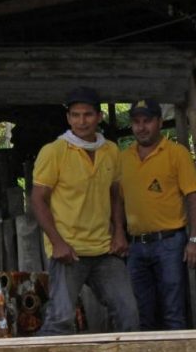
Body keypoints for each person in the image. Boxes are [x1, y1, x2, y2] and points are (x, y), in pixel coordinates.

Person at [30, 86, 138, 335]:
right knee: (61, 320)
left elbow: (115, 194)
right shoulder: (54, 152)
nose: (82, 121)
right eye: (76, 115)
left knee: (128, 313)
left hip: (104, 248)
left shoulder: (110, 150)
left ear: (99, 117)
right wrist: (57, 243)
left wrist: (119, 232)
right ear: (68, 118)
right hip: (69, 250)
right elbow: (38, 199)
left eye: (88, 115)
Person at [119, 99, 196, 330]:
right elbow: (116, 199)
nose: (141, 127)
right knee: (142, 312)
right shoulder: (123, 159)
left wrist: (194, 239)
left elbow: (194, 195)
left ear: (160, 122)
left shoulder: (176, 153)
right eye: (136, 122)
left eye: (147, 121)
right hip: (136, 245)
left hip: (170, 243)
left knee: (173, 311)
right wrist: (117, 233)